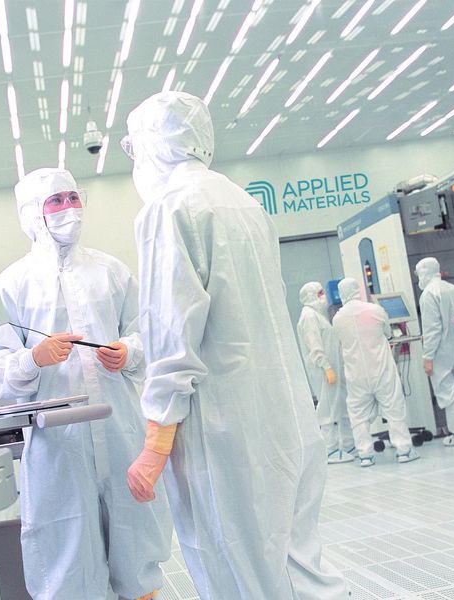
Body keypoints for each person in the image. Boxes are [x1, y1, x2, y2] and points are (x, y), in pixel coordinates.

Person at [121, 91, 347, 599]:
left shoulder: (167, 209)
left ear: (153, 144)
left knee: (236, 566)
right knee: (296, 561)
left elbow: (170, 332)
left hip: (224, 429)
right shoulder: (245, 203)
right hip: (286, 417)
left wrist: (156, 441)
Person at [0, 168, 171, 600]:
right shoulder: (12, 284)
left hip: (119, 430)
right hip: (58, 445)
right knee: (67, 551)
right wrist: (33, 358)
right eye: (56, 201)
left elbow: (148, 333)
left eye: (72, 197)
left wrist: (129, 351)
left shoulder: (111, 271)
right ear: (33, 212)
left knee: (136, 538)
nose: (69, 208)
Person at [332, 277, 420, 467]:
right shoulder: (375, 310)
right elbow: (387, 333)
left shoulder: (337, 319)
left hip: (356, 375)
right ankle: (404, 450)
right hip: (381, 370)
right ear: (357, 290)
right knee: (393, 409)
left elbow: (340, 341)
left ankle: (365, 455)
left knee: (358, 415)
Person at [415, 257, 454, 446]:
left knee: (447, 392)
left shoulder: (428, 294)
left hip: (441, 350)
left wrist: (427, 357)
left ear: (424, 272)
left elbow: (432, 329)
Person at [297, 281, 356, 463]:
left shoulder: (317, 315)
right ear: (310, 295)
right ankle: (330, 450)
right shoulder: (308, 316)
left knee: (341, 406)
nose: (324, 296)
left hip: (333, 368)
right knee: (327, 409)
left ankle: (349, 445)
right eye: (320, 293)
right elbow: (314, 345)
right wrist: (326, 367)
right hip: (324, 371)